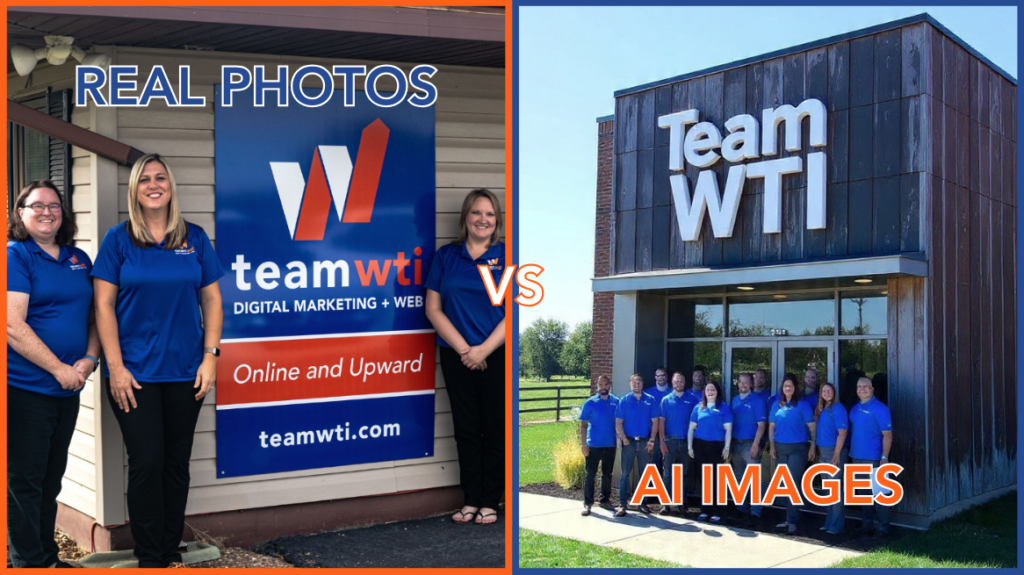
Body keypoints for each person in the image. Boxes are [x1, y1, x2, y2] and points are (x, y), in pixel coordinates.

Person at [92, 155, 224, 567]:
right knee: (147, 462)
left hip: (187, 372)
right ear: (134, 190)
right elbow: (103, 305)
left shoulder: (194, 238)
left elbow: (212, 300)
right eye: (145, 179)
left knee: (175, 463)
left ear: (171, 186)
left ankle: (169, 551)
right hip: (134, 375)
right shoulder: (118, 240)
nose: (153, 185)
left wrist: (210, 358)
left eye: (160, 178)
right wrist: (115, 368)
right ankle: (150, 556)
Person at [7, 181, 100, 568]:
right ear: (21, 213)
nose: (47, 212)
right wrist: (59, 368)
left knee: (50, 479)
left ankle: (46, 557)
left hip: (67, 390)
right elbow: (12, 324)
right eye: (37, 205)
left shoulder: (79, 259)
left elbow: (95, 316)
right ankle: (28, 562)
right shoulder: (15, 255)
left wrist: (90, 359)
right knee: (25, 483)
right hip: (24, 390)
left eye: (54, 205)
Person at [424, 188, 506, 526]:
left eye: (489, 214)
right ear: (465, 217)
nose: (482, 220)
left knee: (495, 428)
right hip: (455, 355)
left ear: (497, 221)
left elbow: (514, 311)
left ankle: (490, 501)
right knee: (466, 429)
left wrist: (483, 350)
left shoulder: (507, 257)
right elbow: (433, 309)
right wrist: (465, 351)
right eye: (476, 212)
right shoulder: (446, 256)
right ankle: (470, 499)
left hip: (496, 355)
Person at [768, 374, 816, 535]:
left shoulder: (803, 405)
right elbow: (771, 427)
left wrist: (812, 446)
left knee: (793, 484)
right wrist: (772, 446)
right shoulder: (776, 405)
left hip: (798, 449)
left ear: (795, 388)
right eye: (785, 386)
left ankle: (793, 521)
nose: (788, 388)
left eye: (790, 386)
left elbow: (812, 428)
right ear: (782, 388)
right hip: (780, 448)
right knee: (784, 484)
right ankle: (788, 519)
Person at [848, 377, 893, 539]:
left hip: (874, 458)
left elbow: (887, 435)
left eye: (866, 387)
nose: (862, 389)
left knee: (879, 495)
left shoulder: (881, 409)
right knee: (864, 495)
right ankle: (867, 525)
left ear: (872, 389)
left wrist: (884, 456)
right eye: (859, 387)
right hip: (856, 457)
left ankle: (883, 528)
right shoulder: (854, 409)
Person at [687, 381, 733, 523]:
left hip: (717, 447)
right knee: (704, 479)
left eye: (713, 389)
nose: (710, 392)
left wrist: (726, 447)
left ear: (717, 392)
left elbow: (728, 429)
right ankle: (705, 510)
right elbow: (691, 428)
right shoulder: (698, 407)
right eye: (708, 390)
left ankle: (717, 511)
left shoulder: (724, 407)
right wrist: (690, 446)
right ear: (704, 392)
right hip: (700, 446)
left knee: (717, 480)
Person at [614, 374, 659, 517]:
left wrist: (652, 439)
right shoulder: (625, 400)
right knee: (625, 474)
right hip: (629, 442)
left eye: (639, 382)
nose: (636, 385)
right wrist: (623, 438)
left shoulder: (650, 400)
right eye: (634, 382)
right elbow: (618, 422)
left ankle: (641, 503)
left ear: (642, 384)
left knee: (644, 474)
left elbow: (655, 422)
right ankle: (622, 504)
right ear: (630, 384)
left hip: (645, 442)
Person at [730, 372, 767, 526]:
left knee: (754, 479)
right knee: (739, 478)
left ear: (751, 384)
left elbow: (762, 425)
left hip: (750, 444)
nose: (743, 385)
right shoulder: (734, 400)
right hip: (736, 444)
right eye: (741, 382)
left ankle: (756, 512)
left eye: (746, 382)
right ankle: (741, 509)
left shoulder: (758, 401)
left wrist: (756, 444)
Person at [579, 375, 619, 516]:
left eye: (606, 384)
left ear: (610, 385)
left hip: (610, 445)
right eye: (600, 384)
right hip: (593, 445)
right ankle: (588, 503)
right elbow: (583, 425)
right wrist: (583, 445)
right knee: (590, 474)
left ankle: (605, 500)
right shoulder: (590, 403)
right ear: (597, 386)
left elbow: (620, 422)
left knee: (607, 474)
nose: (603, 387)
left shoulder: (616, 402)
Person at [815, 382, 849, 535]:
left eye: (829, 390)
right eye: (824, 391)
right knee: (828, 489)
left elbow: (842, 433)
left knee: (835, 489)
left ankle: (836, 525)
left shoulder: (838, 408)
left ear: (834, 392)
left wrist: (836, 454)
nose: (827, 393)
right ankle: (828, 522)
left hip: (834, 452)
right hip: (823, 452)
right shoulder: (823, 409)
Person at [658, 372, 690, 515]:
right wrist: (662, 441)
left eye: (681, 381)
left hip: (685, 442)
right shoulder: (666, 400)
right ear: (672, 382)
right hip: (669, 441)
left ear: (685, 382)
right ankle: (666, 504)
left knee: (683, 473)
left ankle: (681, 502)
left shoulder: (691, 400)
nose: (679, 383)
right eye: (676, 381)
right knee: (667, 474)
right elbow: (661, 423)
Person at [645, 367, 671, 508]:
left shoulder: (673, 393)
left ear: (667, 377)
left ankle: (668, 496)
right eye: (658, 375)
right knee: (653, 465)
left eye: (663, 375)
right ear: (655, 377)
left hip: (670, 435)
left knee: (669, 467)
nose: (661, 378)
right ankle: (651, 494)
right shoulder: (648, 393)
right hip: (653, 435)